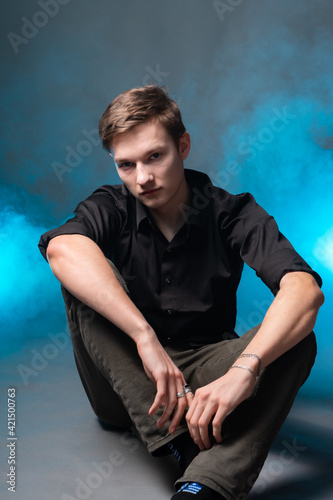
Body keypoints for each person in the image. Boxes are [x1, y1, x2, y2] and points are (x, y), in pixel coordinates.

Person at [38, 85, 324, 500]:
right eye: (126, 165)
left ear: (183, 145)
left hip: (210, 373)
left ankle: (203, 485)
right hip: (126, 383)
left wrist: (245, 370)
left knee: (298, 340)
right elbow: (63, 249)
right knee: (84, 285)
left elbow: (304, 290)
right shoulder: (112, 206)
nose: (143, 178)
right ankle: (182, 442)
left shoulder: (233, 212)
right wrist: (144, 337)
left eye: (155, 156)